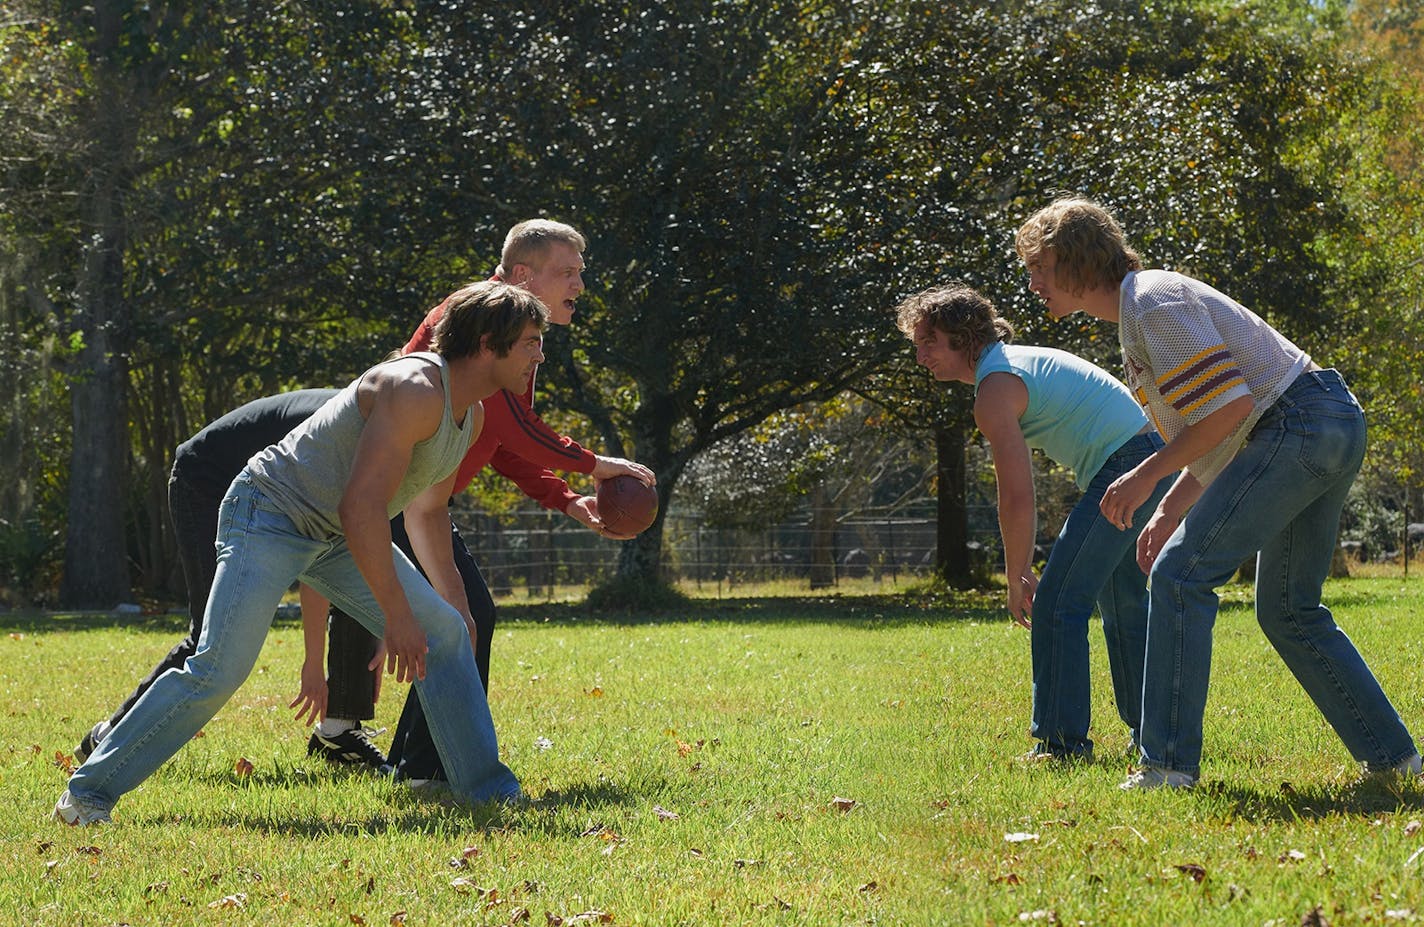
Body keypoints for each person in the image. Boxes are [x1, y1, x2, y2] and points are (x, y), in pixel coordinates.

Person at [53, 281, 542, 825]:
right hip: (268, 515)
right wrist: (397, 616)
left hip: (331, 535)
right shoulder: (415, 389)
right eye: (528, 342)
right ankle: (88, 794)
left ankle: (487, 792)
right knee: (220, 665)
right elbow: (362, 507)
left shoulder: (468, 414)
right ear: (484, 343)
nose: (539, 355)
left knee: (448, 634)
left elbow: (424, 513)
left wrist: (456, 609)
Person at [1015, 197, 1422, 790]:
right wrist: (1167, 513)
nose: (1032, 284)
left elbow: (1230, 411)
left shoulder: (1151, 299)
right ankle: (1398, 763)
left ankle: (1168, 765)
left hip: (1296, 426)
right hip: (1322, 423)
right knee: (1289, 610)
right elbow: (1218, 433)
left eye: (1038, 267)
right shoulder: (1139, 313)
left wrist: (1146, 476)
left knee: (1181, 576)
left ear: (1075, 261)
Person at [378, 218, 656, 784]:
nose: (579, 285)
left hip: (419, 503)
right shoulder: (479, 319)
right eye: (567, 273)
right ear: (524, 274)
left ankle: (414, 763)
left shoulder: (519, 329)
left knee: (462, 618)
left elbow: (501, 440)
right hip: (386, 500)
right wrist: (594, 465)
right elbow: (514, 424)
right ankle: (426, 769)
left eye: (581, 273)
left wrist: (569, 498)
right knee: (465, 617)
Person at [896, 284, 1175, 761]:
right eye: (917, 344)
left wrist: (1018, 573)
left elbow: (1018, 497)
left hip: (1130, 466)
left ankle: (1061, 744)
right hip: (1152, 458)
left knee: (1058, 600)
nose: (921, 356)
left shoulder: (996, 387)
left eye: (930, 342)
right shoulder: (1011, 364)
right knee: (1123, 600)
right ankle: (1153, 734)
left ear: (963, 338)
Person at [71, 389, 392, 772]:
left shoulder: (387, 429)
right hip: (206, 479)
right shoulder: (357, 433)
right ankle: (108, 739)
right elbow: (318, 560)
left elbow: (347, 557)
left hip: (260, 488)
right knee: (212, 635)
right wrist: (312, 664)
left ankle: (338, 730)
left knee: (356, 577)